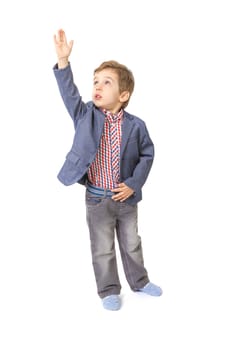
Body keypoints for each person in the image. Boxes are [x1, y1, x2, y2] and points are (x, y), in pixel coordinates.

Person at [53, 29, 162, 311]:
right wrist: (64, 62)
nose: (97, 87)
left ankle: (139, 282)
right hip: (97, 198)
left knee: (132, 243)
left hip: (125, 198)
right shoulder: (85, 115)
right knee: (102, 249)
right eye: (95, 82)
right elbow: (69, 94)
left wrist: (134, 184)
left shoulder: (136, 126)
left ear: (123, 94)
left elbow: (147, 156)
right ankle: (109, 289)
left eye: (107, 82)